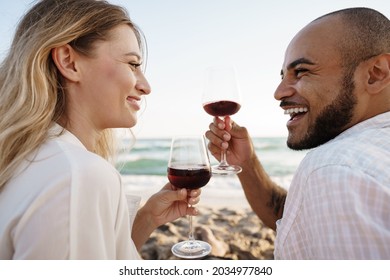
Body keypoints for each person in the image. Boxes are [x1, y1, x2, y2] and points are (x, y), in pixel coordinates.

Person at [0, 0, 200, 259]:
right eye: (132, 64)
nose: (146, 86)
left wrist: (147, 219)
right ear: (69, 62)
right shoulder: (77, 175)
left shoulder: (26, 161)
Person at [206, 7, 390, 259]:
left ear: (375, 74)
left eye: (301, 71)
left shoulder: (335, 169)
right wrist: (247, 166)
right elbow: (296, 217)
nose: (279, 92)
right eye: (283, 75)